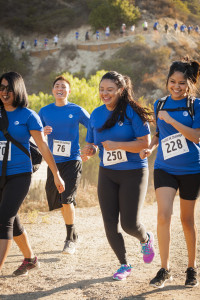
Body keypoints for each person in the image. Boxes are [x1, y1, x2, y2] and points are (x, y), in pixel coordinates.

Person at [81, 71, 155, 281]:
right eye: (102, 89)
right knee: (110, 223)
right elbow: (93, 143)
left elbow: (144, 143)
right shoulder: (95, 114)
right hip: (107, 173)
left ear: (121, 90)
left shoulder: (133, 112)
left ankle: (146, 238)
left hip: (133, 172)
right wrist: (89, 151)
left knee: (129, 224)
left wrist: (119, 145)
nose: (105, 93)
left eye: (110, 90)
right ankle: (124, 264)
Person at [140, 57, 200, 288]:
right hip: (165, 167)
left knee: (186, 220)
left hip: (191, 169)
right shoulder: (159, 104)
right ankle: (164, 269)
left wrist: (171, 120)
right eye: (173, 82)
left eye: (182, 83)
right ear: (167, 81)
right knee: (163, 215)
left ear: (190, 84)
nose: (176, 86)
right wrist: (150, 147)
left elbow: (196, 136)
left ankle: (191, 267)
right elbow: (159, 134)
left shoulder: (196, 105)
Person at [0, 72, 65, 276]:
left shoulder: (28, 116)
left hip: (20, 174)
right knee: (11, 217)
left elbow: (43, 148)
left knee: (4, 219)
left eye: (8, 88)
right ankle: (30, 259)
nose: (4, 92)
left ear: (18, 90)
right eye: (1, 88)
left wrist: (56, 174)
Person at [39, 75, 90, 255]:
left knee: (66, 199)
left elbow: (92, 126)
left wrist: (91, 146)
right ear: (53, 91)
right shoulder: (44, 111)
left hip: (73, 160)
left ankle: (69, 239)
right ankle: (74, 232)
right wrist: (42, 132)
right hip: (53, 163)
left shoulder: (76, 110)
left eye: (64, 86)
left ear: (68, 91)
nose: (60, 88)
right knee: (60, 202)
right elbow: (36, 135)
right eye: (57, 86)